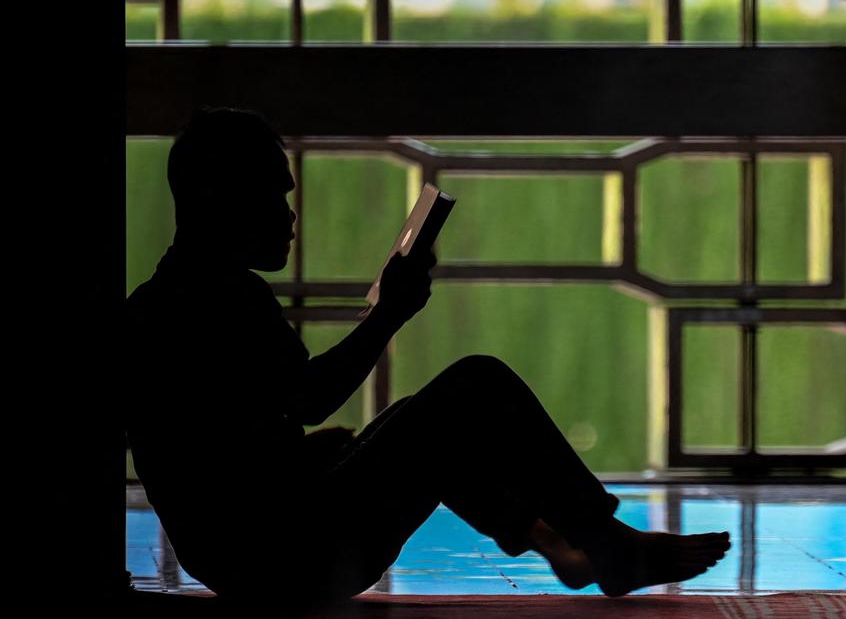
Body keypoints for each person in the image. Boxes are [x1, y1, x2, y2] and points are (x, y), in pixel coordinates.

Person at [124, 107, 729, 608]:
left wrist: (305, 455)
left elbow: (215, 450)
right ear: (216, 197)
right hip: (291, 563)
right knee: (473, 386)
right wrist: (390, 312)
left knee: (421, 416)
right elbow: (307, 399)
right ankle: (604, 546)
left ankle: (562, 543)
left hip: (253, 560)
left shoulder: (167, 300)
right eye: (271, 196)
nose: (289, 215)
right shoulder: (214, 301)